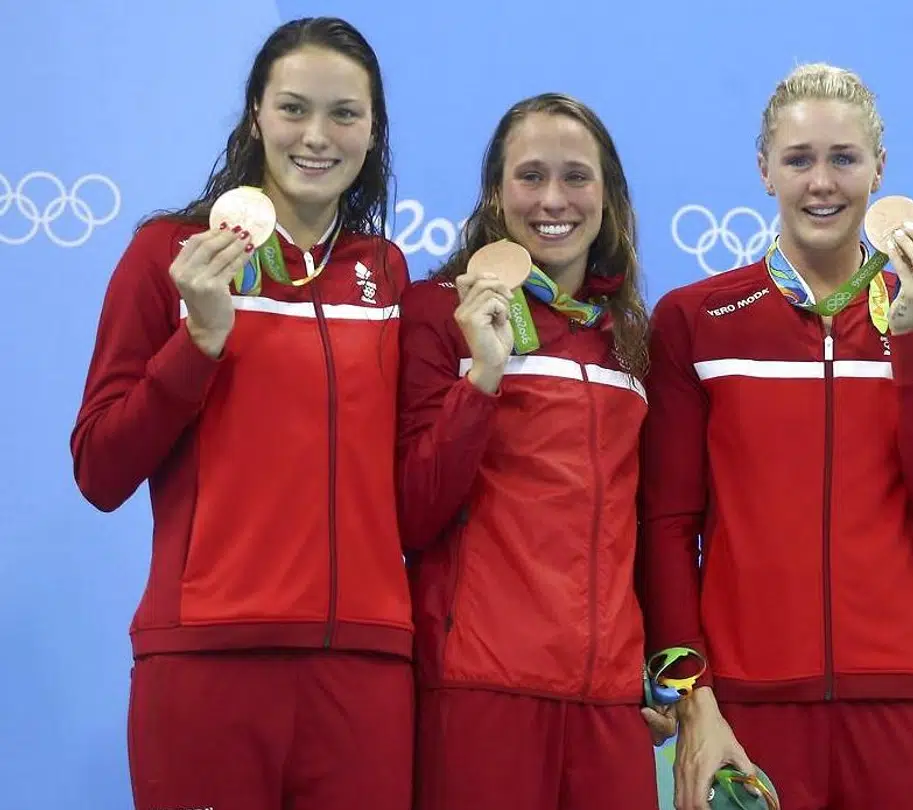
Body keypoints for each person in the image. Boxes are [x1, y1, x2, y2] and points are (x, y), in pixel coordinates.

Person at [69, 17, 414, 810]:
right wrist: (198, 342)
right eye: (293, 108)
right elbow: (99, 468)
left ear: (373, 130)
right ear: (255, 114)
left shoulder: (386, 275)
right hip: (207, 659)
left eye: (344, 114)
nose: (317, 136)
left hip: (363, 669)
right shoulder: (168, 255)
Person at [640, 63, 913, 810]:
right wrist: (695, 698)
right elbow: (668, 526)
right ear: (765, 170)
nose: (822, 183)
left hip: (901, 703)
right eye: (799, 160)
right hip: (747, 708)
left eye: (843, 159)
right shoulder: (694, 320)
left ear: (879, 169)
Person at [397, 92, 670, 810]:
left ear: (608, 196)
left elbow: (645, 530)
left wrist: (662, 676)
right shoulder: (435, 316)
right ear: (495, 193)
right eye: (531, 176)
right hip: (479, 689)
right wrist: (483, 376)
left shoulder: (632, 339)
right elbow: (413, 513)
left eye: (577, 176)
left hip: (610, 706)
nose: (554, 198)